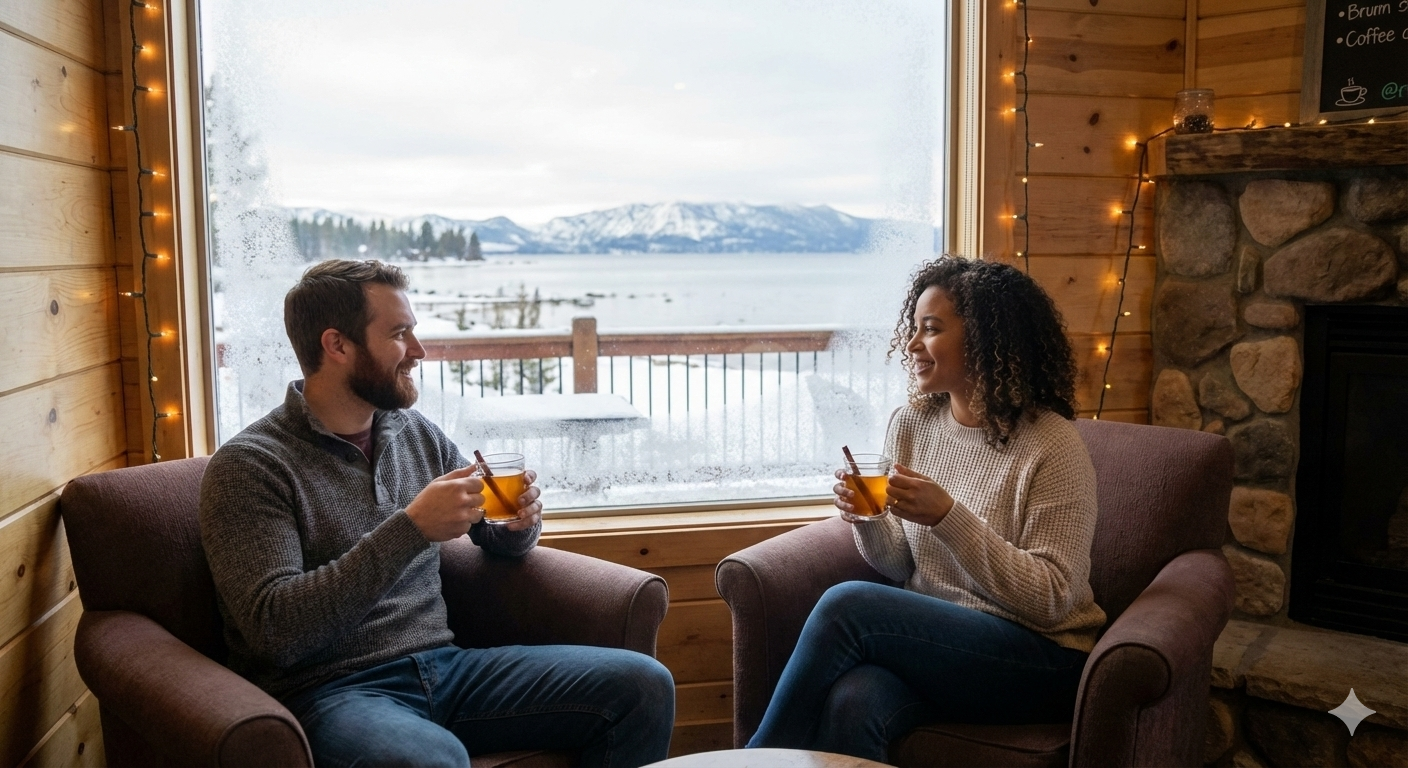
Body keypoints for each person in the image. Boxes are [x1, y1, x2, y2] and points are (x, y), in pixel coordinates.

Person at [199, 259, 674, 768]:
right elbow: (277, 632)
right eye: (400, 334)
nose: (419, 352)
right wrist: (409, 529)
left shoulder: (412, 430)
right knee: (430, 759)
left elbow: (491, 532)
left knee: (643, 685)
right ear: (337, 346)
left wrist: (517, 524)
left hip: (446, 669)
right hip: (332, 693)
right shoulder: (251, 466)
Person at [746, 257, 1106, 762]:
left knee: (849, 605)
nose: (912, 345)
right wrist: (868, 519)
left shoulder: (1052, 445)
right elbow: (899, 565)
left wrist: (947, 518)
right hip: (946, 646)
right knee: (858, 698)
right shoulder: (913, 422)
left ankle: (751, 759)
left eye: (931, 329)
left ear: (986, 339)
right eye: (913, 329)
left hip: (1042, 657)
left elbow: (1052, 597)